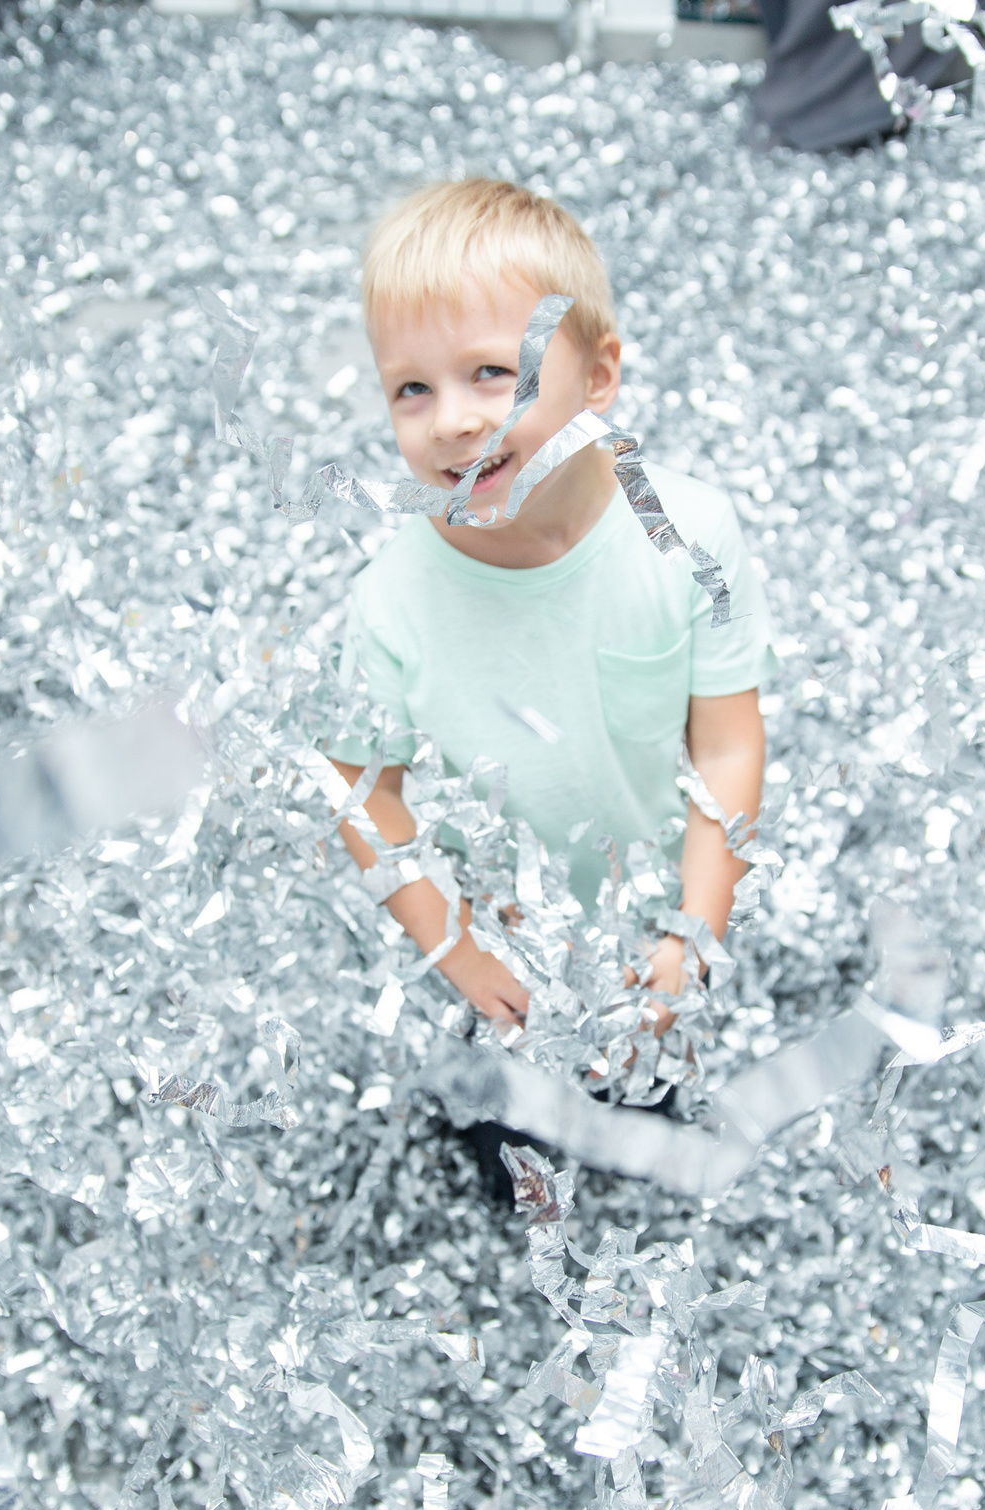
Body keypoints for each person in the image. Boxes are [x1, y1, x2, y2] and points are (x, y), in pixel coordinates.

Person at [326, 179, 775, 1067]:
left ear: (598, 377)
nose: (453, 421)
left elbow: (727, 747)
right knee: (516, 1140)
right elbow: (359, 792)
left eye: (492, 372)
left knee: (658, 1098)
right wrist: (452, 944)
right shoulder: (391, 600)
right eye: (412, 389)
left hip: (652, 911)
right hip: (495, 936)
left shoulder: (687, 533)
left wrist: (695, 931)